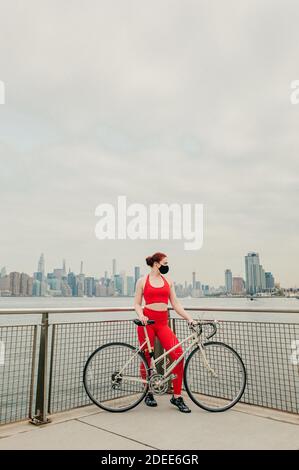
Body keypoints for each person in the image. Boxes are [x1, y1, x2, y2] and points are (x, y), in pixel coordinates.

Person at [134, 252, 195, 413]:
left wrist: (189, 318)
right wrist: (141, 315)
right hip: (147, 323)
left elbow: (175, 304)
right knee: (147, 358)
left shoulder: (168, 281)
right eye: (165, 263)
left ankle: (176, 396)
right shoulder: (142, 281)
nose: (167, 266)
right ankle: (148, 392)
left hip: (162, 323)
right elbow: (137, 304)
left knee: (178, 355)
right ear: (156, 263)